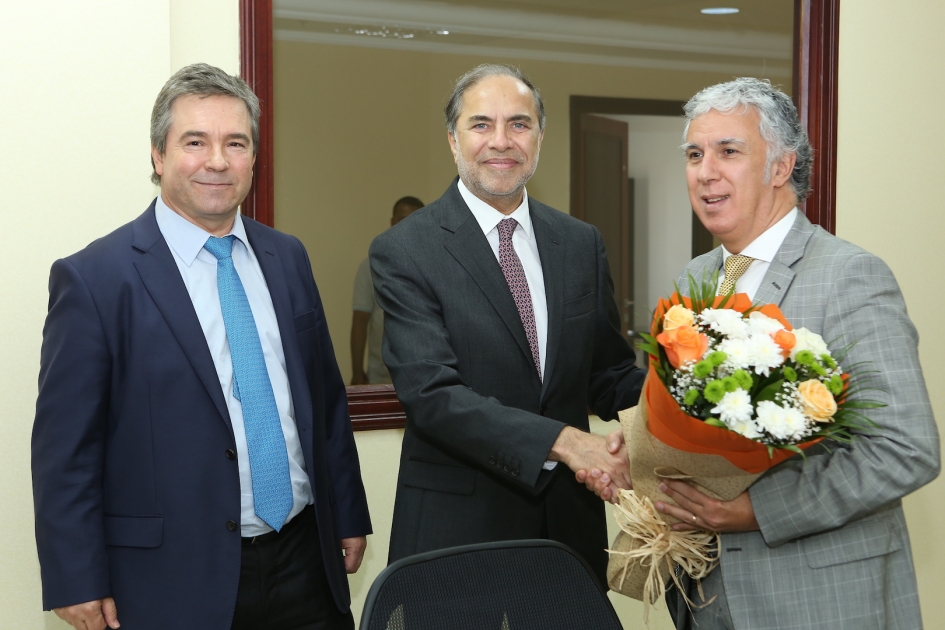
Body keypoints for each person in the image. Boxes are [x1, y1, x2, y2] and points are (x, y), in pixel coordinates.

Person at [582, 77, 940, 629]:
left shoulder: (849, 276)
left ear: (780, 167)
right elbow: (691, 422)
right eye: (694, 154)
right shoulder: (695, 278)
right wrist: (639, 450)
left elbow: (904, 449)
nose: (705, 172)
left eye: (728, 151)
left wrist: (754, 512)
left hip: (819, 603)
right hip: (706, 601)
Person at [32, 63, 372, 630]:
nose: (217, 160)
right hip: (171, 578)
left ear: (253, 158)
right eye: (195, 142)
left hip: (306, 561)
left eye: (235, 143)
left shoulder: (287, 257)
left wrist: (348, 512)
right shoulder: (95, 280)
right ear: (158, 156)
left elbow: (325, 401)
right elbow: (66, 449)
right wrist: (75, 576)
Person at [369, 63, 645, 583]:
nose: (501, 141)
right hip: (456, 538)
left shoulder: (580, 243)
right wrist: (567, 442)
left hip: (567, 534)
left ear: (539, 138)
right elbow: (432, 395)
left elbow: (607, 375)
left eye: (519, 124)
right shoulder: (406, 249)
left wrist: (690, 402)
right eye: (481, 124)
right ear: (453, 140)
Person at [350, 196, 424, 385]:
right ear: (392, 222)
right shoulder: (371, 265)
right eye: (402, 219)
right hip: (381, 377)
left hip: (424, 376)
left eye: (414, 219)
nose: (407, 226)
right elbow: (360, 321)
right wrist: (357, 373)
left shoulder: (433, 265)